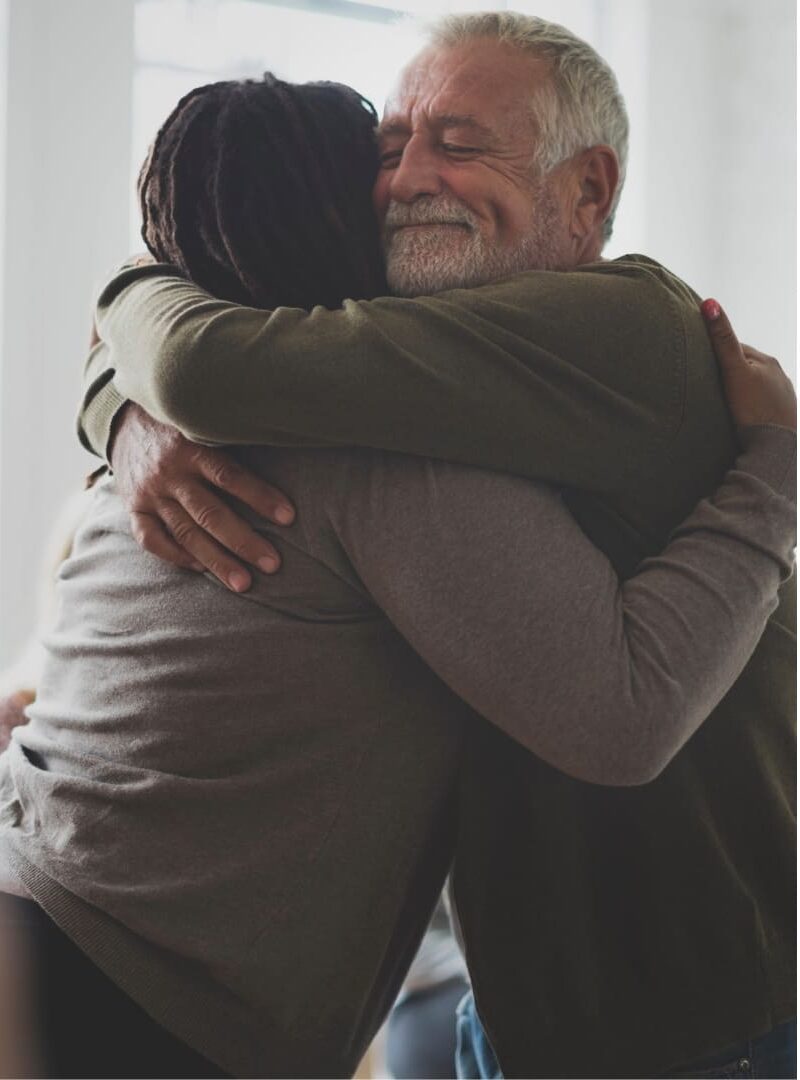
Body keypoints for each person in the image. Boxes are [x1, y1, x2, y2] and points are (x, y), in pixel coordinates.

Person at [78, 13, 796, 1079]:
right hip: (511, 1007)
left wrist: (127, 317)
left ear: (589, 190)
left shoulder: (629, 331)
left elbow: (204, 368)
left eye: (458, 144)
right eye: (388, 146)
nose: (405, 179)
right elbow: (203, 370)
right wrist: (118, 418)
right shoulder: (423, 373)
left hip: (690, 1024)